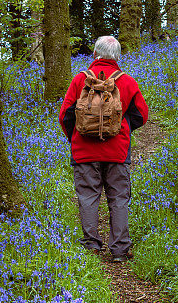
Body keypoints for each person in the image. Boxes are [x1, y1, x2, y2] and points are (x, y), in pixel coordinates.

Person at [59, 35, 149, 262]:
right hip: (117, 152)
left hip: (84, 151)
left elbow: (65, 116)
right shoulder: (127, 81)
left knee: (88, 197)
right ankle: (119, 250)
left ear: (94, 54)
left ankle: (91, 246)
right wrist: (123, 130)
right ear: (118, 56)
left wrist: (76, 137)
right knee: (118, 198)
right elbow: (142, 115)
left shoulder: (80, 80)